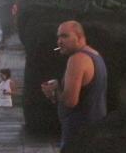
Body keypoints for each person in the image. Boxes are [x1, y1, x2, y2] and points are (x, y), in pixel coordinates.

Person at [41, 20, 107, 150]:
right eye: (58, 37)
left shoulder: (77, 59)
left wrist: (54, 90)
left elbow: (70, 101)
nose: (59, 41)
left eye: (65, 36)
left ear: (80, 37)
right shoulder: (94, 54)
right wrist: (58, 88)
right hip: (94, 128)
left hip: (78, 133)